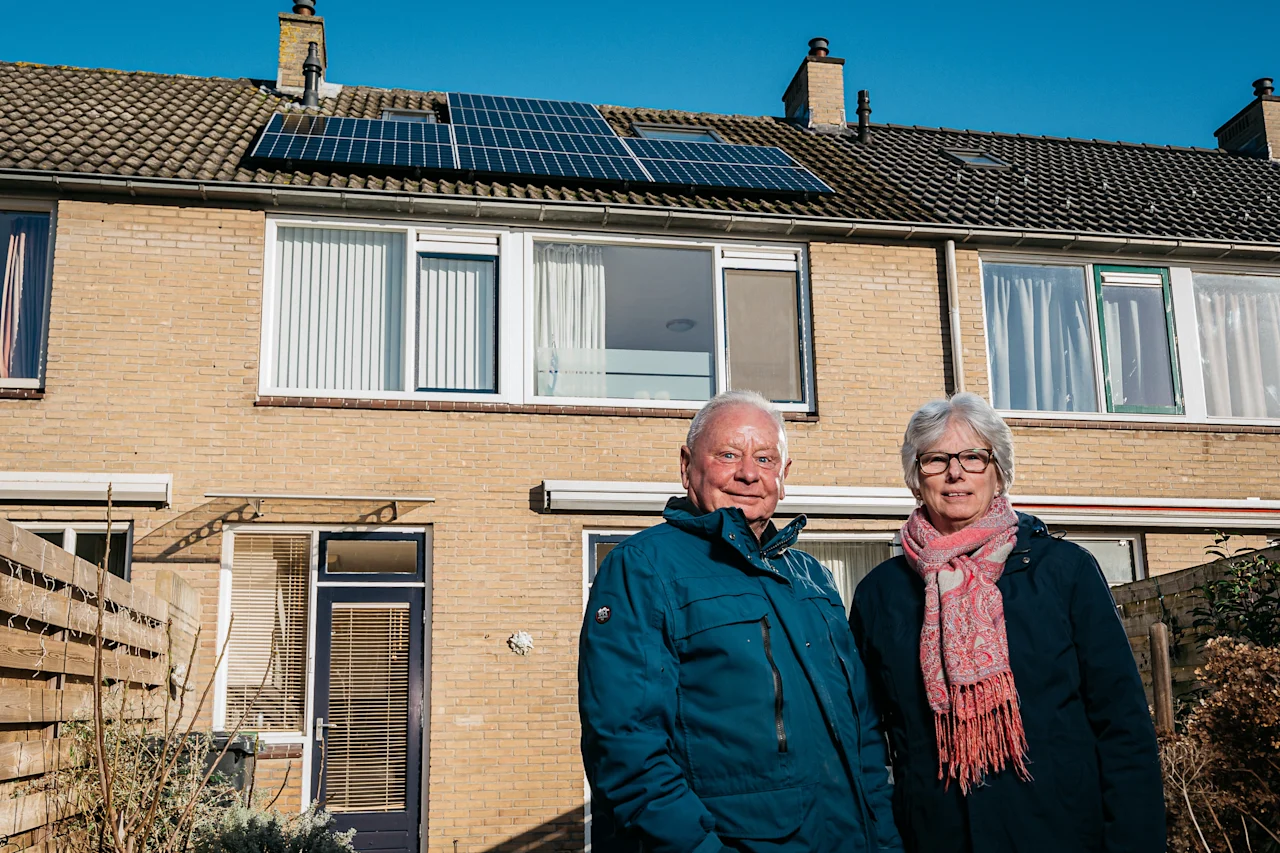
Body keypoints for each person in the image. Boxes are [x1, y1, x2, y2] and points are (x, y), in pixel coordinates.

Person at [580, 390, 902, 853]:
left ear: (783, 475)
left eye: (765, 459)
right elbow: (626, 746)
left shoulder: (812, 577)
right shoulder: (643, 567)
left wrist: (886, 841)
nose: (749, 473)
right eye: (728, 454)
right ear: (687, 465)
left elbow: (863, 731)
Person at [850, 393, 1165, 853]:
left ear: (998, 473)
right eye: (936, 459)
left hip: (1061, 836)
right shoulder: (880, 594)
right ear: (916, 480)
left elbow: (1123, 726)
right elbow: (864, 737)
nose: (955, 472)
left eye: (974, 457)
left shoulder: (1066, 572)